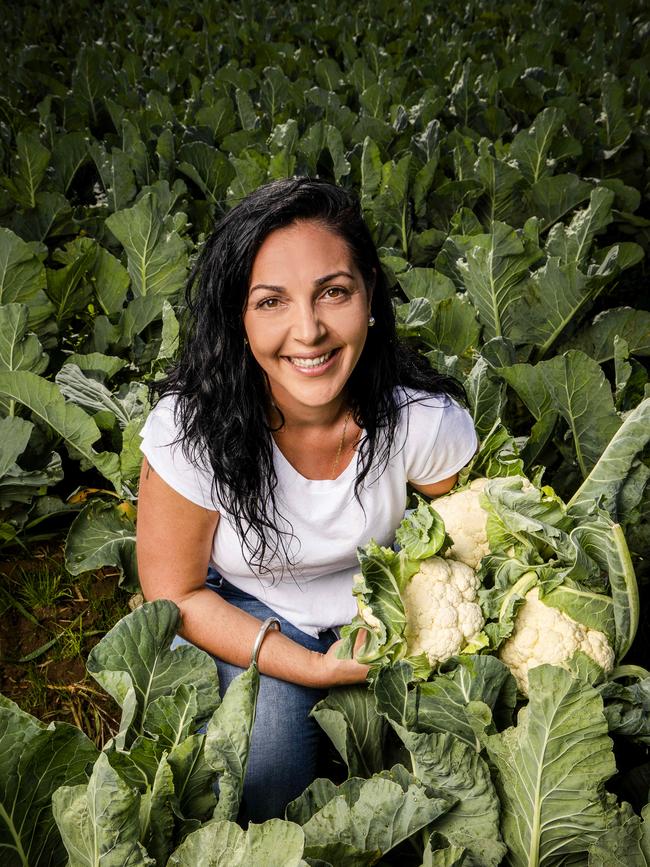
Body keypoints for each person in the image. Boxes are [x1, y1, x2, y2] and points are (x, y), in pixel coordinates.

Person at [136, 177, 477, 823]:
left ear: (370, 291)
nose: (309, 330)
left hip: (383, 613)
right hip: (242, 605)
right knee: (266, 783)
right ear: (238, 315)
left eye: (334, 292)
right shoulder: (192, 430)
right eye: (271, 302)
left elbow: (478, 541)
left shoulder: (424, 421)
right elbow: (175, 593)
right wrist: (315, 669)